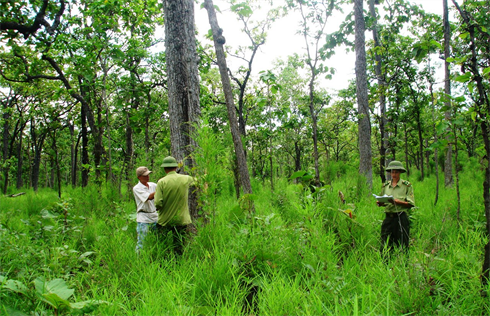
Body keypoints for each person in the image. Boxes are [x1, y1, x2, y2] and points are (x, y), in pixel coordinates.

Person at [154, 156, 196, 255]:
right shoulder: (186, 179)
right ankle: (178, 263)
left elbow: (158, 203)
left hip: (165, 220)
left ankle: (163, 261)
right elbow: (198, 181)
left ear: (165, 169)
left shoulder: (162, 182)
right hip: (181, 219)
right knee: (179, 244)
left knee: (162, 244)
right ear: (176, 167)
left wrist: (159, 209)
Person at [376, 160, 415, 255]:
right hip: (388, 218)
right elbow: (383, 200)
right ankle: (386, 265)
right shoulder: (386, 186)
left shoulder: (406, 186)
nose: (394, 174)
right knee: (385, 243)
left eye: (396, 172)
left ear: (400, 173)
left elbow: (410, 204)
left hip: (401, 217)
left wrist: (397, 202)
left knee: (403, 243)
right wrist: (380, 203)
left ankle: (404, 265)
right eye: (392, 172)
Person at [133, 166, 158, 252]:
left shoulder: (153, 185)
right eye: (145, 176)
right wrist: (161, 188)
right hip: (144, 218)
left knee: (156, 239)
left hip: (155, 216)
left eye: (148, 175)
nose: (147, 177)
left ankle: (154, 255)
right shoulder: (137, 188)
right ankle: (139, 259)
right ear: (139, 177)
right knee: (142, 242)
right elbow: (149, 197)